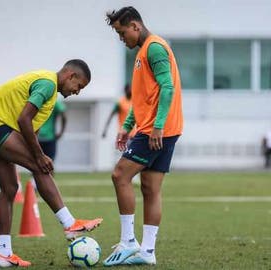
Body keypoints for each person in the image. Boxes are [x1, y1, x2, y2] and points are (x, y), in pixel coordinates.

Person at [0, 59, 102, 267]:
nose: (77, 92)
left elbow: (31, 128)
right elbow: (24, 120)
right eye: (79, 86)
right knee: (39, 166)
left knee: (10, 188)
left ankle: (4, 254)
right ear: (70, 75)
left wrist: (36, 154)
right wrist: (39, 156)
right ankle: (69, 224)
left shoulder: (50, 97)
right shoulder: (48, 84)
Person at [103, 6, 183, 266]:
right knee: (150, 188)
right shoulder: (142, 53)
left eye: (122, 32)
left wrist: (158, 126)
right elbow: (143, 99)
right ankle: (147, 252)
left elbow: (167, 87)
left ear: (135, 26)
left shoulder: (155, 48)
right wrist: (127, 125)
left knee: (120, 175)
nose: (121, 38)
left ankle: (128, 241)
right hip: (160, 128)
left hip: (156, 130)